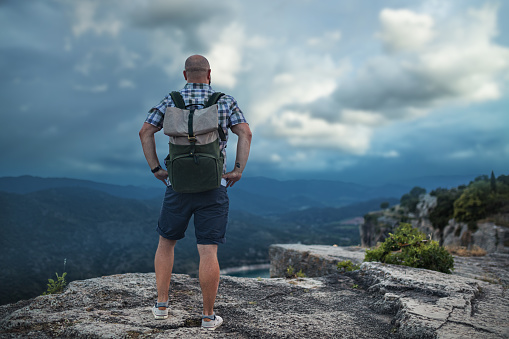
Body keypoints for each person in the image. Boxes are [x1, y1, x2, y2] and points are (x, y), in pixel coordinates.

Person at [139, 55, 252, 330]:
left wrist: (156, 169)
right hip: (214, 186)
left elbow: (145, 132)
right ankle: (208, 317)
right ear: (209, 74)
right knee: (207, 251)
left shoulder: (171, 100)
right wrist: (237, 170)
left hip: (177, 186)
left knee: (166, 243)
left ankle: (162, 307)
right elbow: (245, 133)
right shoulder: (224, 100)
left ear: (185, 74)